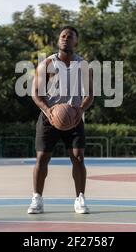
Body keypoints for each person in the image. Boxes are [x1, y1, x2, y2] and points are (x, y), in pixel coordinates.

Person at [28, 26, 94, 214]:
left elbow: (90, 95)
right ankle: (37, 199)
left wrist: (80, 110)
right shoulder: (47, 64)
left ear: (76, 42)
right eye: (62, 36)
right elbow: (35, 94)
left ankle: (80, 198)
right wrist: (47, 110)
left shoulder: (83, 66)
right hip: (49, 116)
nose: (65, 38)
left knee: (79, 158)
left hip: (73, 116)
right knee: (42, 158)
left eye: (70, 36)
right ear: (58, 41)